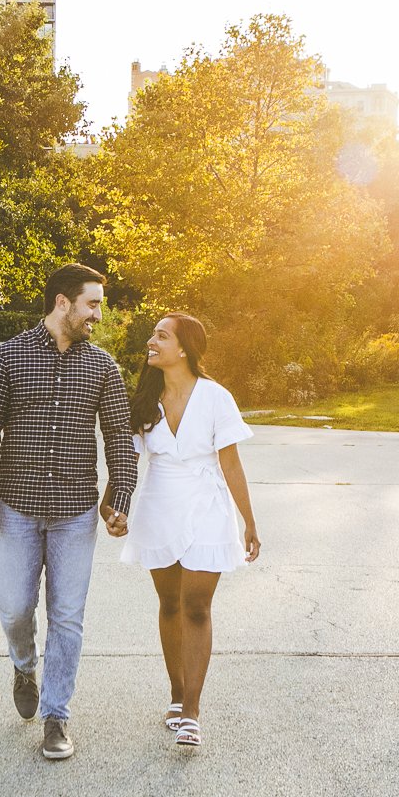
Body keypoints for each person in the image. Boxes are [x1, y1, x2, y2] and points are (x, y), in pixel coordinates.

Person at [0, 263, 138, 761]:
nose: (98, 315)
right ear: (64, 302)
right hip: (16, 507)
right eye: (93, 304)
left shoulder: (102, 367)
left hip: (75, 513)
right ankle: (24, 665)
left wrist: (119, 498)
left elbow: (120, 443)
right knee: (16, 609)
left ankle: (56, 715)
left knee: (67, 616)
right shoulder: (8, 357)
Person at [109, 312, 260, 748]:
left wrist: (249, 520)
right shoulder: (144, 398)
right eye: (153, 335)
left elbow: (230, 462)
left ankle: (192, 710)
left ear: (184, 349)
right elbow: (128, 460)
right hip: (159, 505)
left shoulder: (216, 398)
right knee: (169, 604)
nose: (150, 342)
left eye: (161, 335)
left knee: (196, 605)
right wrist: (114, 505)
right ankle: (177, 693)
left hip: (208, 507)